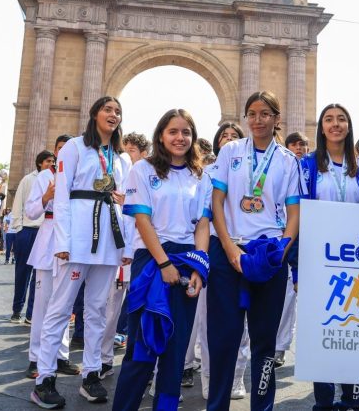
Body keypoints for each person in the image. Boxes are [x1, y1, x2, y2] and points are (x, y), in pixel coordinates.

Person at [31, 96, 132, 408]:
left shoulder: (123, 158)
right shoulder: (75, 147)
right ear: (94, 113)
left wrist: (126, 246)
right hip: (75, 240)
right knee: (60, 309)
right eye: (107, 109)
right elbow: (61, 196)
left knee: (98, 310)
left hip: (108, 243)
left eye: (117, 111)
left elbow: (126, 205)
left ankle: (91, 374)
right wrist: (61, 242)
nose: (113, 115)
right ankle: (44, 378)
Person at [208, 91, 304, 410]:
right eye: (252, 113)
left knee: (264, 344)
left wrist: (281, 249)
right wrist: (228, 248)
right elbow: (217, 203)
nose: (258, 119)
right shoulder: (230, 151)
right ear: (245, 117)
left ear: (277, 118)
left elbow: (294, 212)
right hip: (230, 251)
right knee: (224, 340)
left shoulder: (288, 160)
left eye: (265, 113)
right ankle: (217, 404)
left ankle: (262, 406)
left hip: (268, 254)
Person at [112, 108, 212, 411]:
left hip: (187, 261)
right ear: (161, 135)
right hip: (151, 262)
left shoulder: (201, 175)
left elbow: (202, 224)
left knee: (176, 348)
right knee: (142, 347)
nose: (180, 138)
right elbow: (142, 219)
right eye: (173, 131)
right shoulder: (142, 170)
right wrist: (164, 264)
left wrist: (199, 268)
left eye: (186, 132)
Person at [301, 103, 359, 411]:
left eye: (341, 119)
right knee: (324, 332)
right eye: (329, 120)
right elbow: (300, 215)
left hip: (357, 263)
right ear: (321, 127)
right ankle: (324, 401)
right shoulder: (306, 165)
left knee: (355, 331)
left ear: (349, 126)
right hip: (319, 263)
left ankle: (352, 400)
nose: (335, 124)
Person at [187, 121, 250, 400]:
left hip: (248, 248)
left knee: (245, 323)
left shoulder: (253, 170)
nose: (229, 140)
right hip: (215, 247)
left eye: (235, 136)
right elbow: (203, 216)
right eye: (223, 136)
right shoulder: (209, 173)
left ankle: (237, 378)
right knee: (210, 322)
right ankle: (211, 379)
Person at [24, 134, 78, 379]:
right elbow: (31, 211)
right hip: (48, 242)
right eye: (60, 148)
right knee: (43, 305)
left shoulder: (78, 176)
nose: (64, 151)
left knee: (64, 305)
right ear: (56, 152)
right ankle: (36, 358)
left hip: (71, 243)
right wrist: (47, 196)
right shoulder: (45, 177)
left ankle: (61, 356)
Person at [100, 131, 150, 379]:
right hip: (120, 252)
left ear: (143, 154)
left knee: (143, 313)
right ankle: (104, 358)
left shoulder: (151, 176)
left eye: (131, 150)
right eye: (124, 149)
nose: (125, 155)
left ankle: (142, 366)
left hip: (144, 254)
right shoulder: (118, 175)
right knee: (109, 309)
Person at [10, 150, 56, 324]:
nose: (51, 163)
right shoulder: (28, 179)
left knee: (40, 277)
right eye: (48, 161)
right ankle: (17, 309)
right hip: (28, 230)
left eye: (53, 160)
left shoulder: (57, 177)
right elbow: (18, 204)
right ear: (39, 163)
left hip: (44, 230)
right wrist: (19, 228)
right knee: (22, 272)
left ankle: (31, 314)